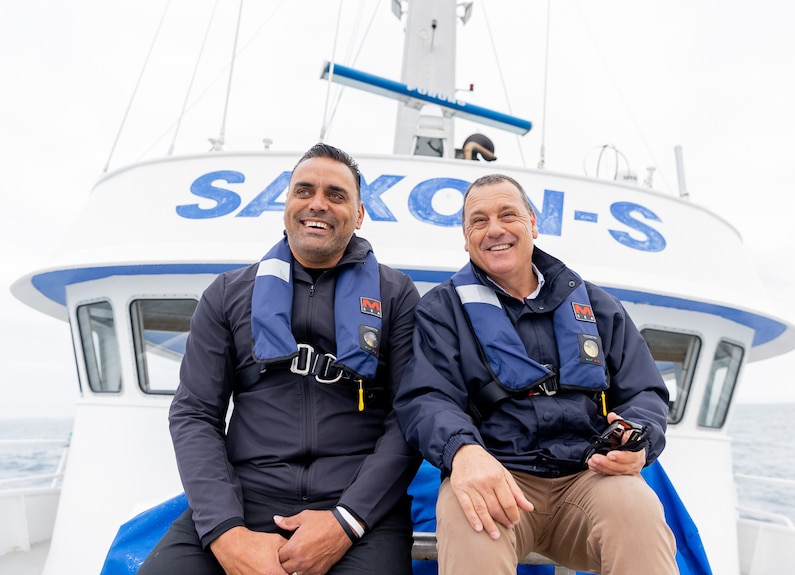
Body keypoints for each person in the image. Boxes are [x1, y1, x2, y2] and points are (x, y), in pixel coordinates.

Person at [139, 143, 421, 575]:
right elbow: (195, 414)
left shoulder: (397, 296)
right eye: (304, 190)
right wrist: (226, 532)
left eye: (337, 195)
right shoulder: (227, 294)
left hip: (356, 508)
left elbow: (408, 417)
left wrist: (346, 521)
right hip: (246, 498)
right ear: (287, 204)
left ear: (359, 215)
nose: (318, 204)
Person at [393, 174, 679, 575]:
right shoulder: (441, 310)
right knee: (469, 513)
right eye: (478, 221)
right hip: (494, 472)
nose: (494, 229)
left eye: (507, 214)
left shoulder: (598, 306)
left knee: (638, 510)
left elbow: (644, 390)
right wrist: (463, 451)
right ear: (465, 237)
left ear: (532, 223)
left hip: (587, 478)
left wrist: (639, 438)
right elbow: (427, 397)